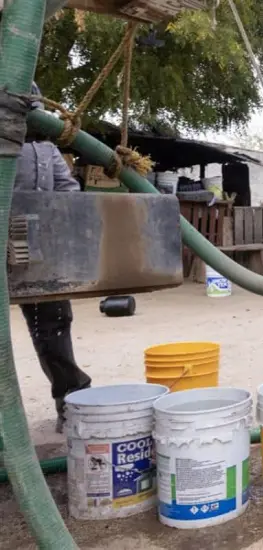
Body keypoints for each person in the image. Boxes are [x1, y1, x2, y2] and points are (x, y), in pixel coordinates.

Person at [14, 83, 91, 433]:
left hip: (36, 248)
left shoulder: (45, 151)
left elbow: (67, 190)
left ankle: (71, 398)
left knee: (54, 321)